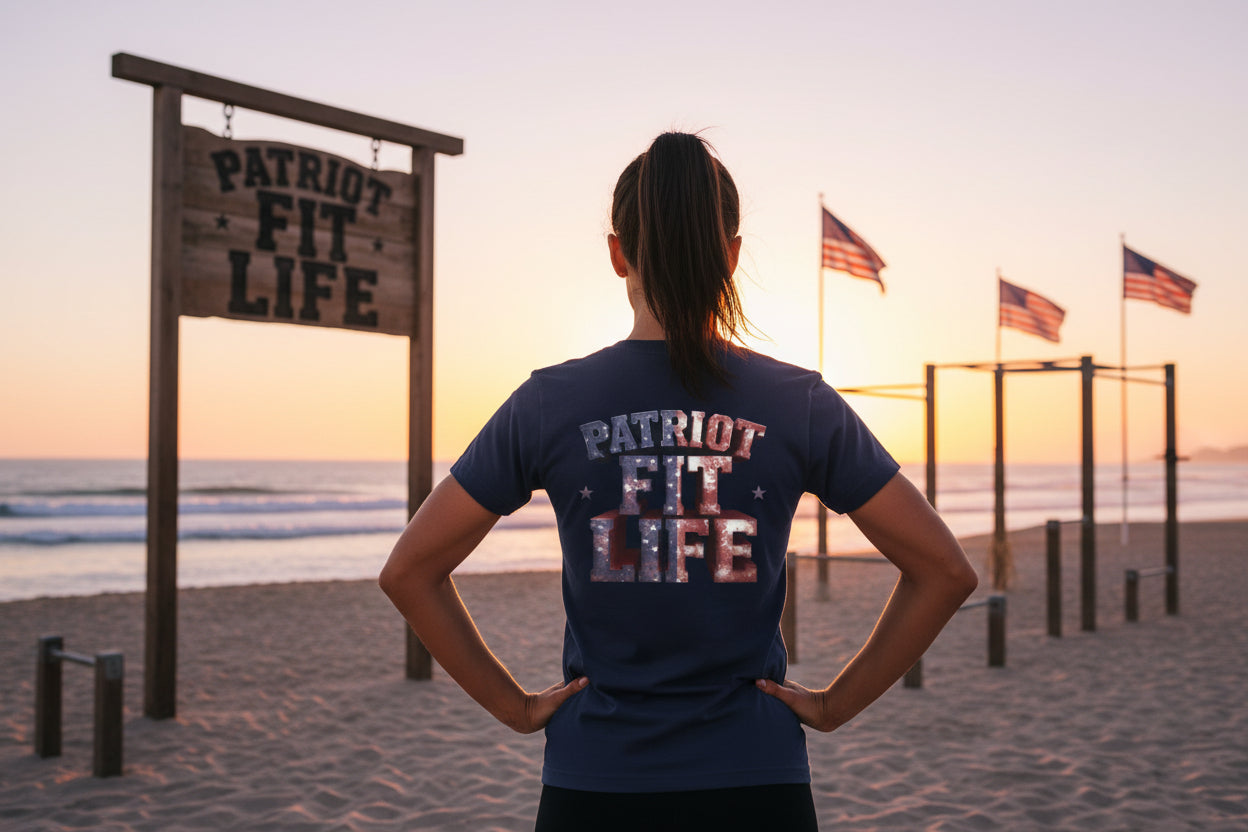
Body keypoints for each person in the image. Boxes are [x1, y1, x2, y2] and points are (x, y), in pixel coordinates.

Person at [379, 132, 978, 831]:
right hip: (757, 781)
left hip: (596, 782)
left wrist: (515, 708)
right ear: (730, 255)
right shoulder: (799, 402)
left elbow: (410, 571)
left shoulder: (549, 403)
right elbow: (944, 571)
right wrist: (832, 705)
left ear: (617, 254)